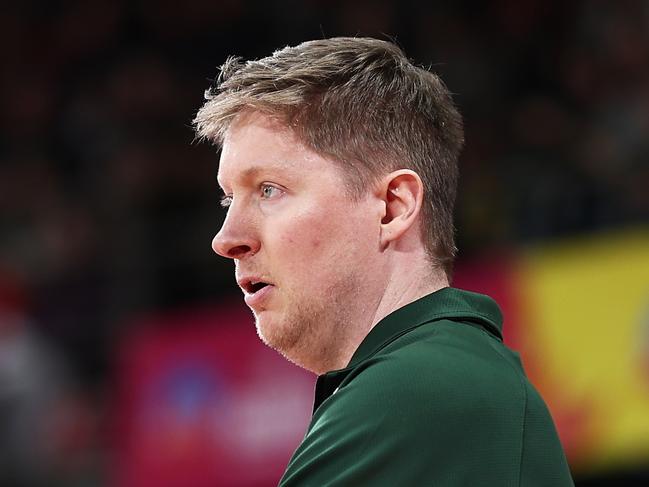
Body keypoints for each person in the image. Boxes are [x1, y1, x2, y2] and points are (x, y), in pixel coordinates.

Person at [194, 37, 574, 486]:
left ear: (393, 207)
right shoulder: (451, 376)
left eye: (269, 190)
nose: (226, 239)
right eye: (228, 200)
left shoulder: (416, 392)